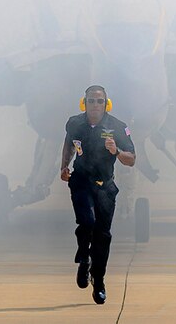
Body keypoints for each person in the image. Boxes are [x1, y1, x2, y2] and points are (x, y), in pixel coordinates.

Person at [60, 84, 136, 305]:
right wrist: (64, 165)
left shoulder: (119, 127)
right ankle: (84, 258)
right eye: (91, 101)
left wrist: (117, 151)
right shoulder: (74, 123)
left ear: (106, 104)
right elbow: (68, 144)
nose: (95, 105)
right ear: (84, 103)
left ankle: (99, 281)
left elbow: (131, 159)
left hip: (105, 185)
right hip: (81, 181)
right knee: (86, 221)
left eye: (99, 101)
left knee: (103, 235)